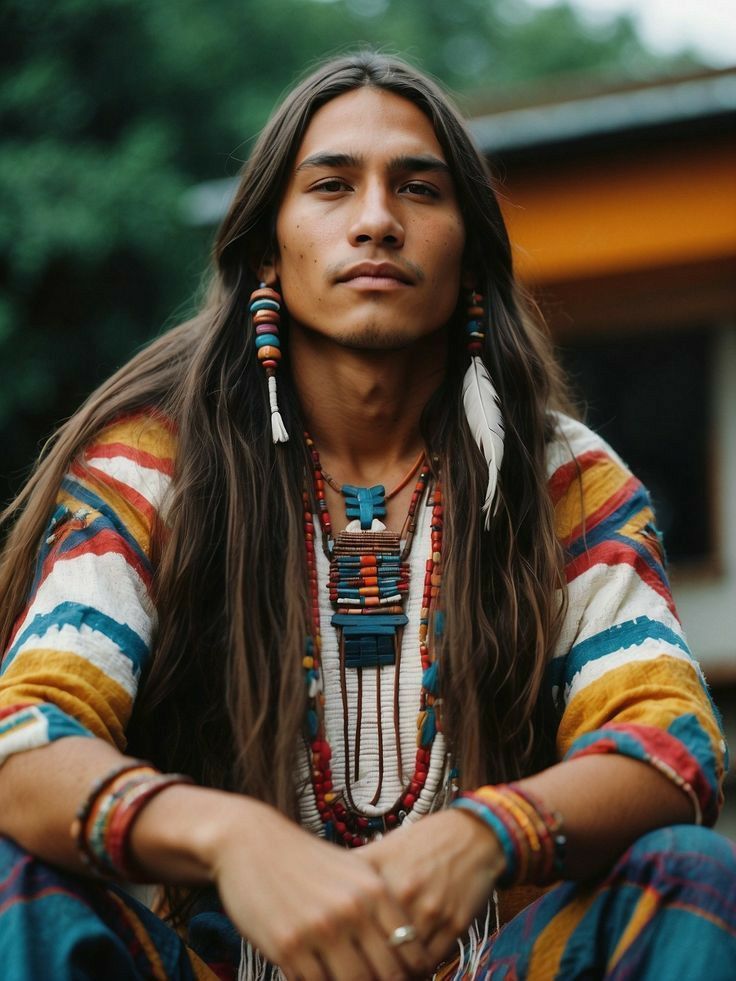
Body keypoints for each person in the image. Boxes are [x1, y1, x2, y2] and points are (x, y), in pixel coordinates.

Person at [0, 51, 733, 981]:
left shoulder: (562, 478)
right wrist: (231, 838)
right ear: (268, 246)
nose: (378, 220)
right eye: (333, 186)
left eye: (419, 189)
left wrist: (483, 836)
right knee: (13, 881)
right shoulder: (161, 464)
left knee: (689, 878)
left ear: (468, 247)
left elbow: (673, 742)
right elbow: (26, 736)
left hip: (487, 963)